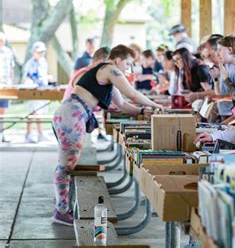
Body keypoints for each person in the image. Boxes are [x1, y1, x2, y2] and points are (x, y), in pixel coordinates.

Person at [51, 45, 162, 226]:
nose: (128, 69)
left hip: (71, 115)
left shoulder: (107, 75)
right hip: (72, 115)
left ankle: (62, 207)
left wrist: (143, 110)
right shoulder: (109, 69)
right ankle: (61, 211)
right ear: (118, 60)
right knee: (65, 166)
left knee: (66, 165)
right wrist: (158, 106)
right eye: (128, 63)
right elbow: (132, 94)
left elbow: (122, 105)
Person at [23, 41, 49, 143]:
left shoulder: (43, 62)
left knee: (40, 113)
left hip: (42, 91)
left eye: (42, 52)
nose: (41, 54)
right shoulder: (30, 63)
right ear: (34, 52)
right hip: (32, 91)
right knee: (32, 113)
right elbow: (25, 78)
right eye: (39, 52)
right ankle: (28, 134)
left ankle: (40, 134)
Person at [0, 32, 15, 142]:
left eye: (2, 41)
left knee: (2, 111)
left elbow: (11, 68)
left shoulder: (8, 52)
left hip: (6, 85)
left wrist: (12, 83)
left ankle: (2, 134)